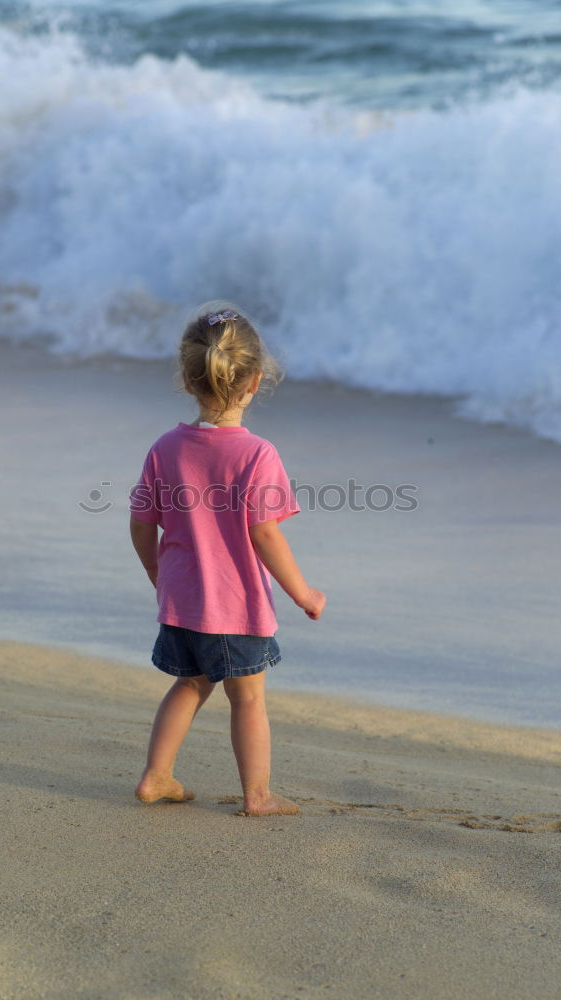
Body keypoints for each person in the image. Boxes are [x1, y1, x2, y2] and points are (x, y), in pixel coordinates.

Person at [129, 303, 325, 817]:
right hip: (235, 605)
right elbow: (264, 532)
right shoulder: (257, 454)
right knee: (249, 698)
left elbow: (140, 521)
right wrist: (303, 593)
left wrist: (156, 572)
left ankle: (156, 775)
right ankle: (257, 795)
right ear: (255, 381)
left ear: (189, 379)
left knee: (190, 684)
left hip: (183, 600)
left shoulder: (166, 447)